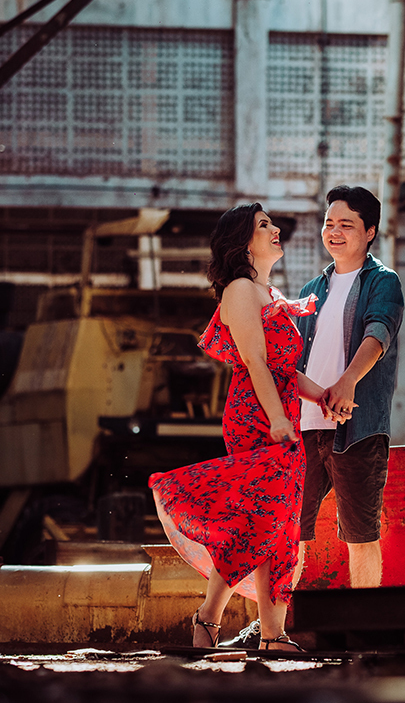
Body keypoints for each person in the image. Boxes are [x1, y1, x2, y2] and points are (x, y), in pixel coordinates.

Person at [149, 202, 341, 652]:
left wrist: (324, 396)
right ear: (243, 243)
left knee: (267, 522)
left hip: (281, 411)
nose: (275, 230)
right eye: (263, 225)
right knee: (269, 518)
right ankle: (258, 630)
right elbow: (254, 360)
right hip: (257, 416)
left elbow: (283, 368)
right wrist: (276, 417)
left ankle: (230, 624)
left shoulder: (267, 293)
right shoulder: (239, 288)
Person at [220, 185, 404, 649]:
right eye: (329, 223)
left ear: (370, 232)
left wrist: (347, 382)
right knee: (288, 533)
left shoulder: (383, 282)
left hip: (356, 427)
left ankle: (365, 629)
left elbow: (378, 334)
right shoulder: (309, 290)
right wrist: (306, 399)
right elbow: (287, 362)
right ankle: (272, 627)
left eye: (346, 225)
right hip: (302, 426)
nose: (334, 232)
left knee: (360, 532)